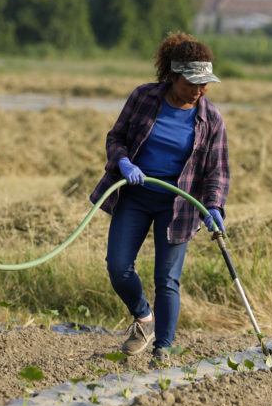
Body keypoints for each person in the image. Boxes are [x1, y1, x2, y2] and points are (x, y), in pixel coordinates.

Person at [89, 32, 230, 361]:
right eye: (191, 83)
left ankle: (163, 348)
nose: (198, 90)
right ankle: (142, 316)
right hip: (136, 195)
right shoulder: (143, 98)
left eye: (204, 84)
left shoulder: (211, 120)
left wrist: (213, 206)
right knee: (118, 266)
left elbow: (217, 171)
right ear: (173, 76)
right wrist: (123, 161)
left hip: (179, 205)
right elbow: (117, 137)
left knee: (167, 278)